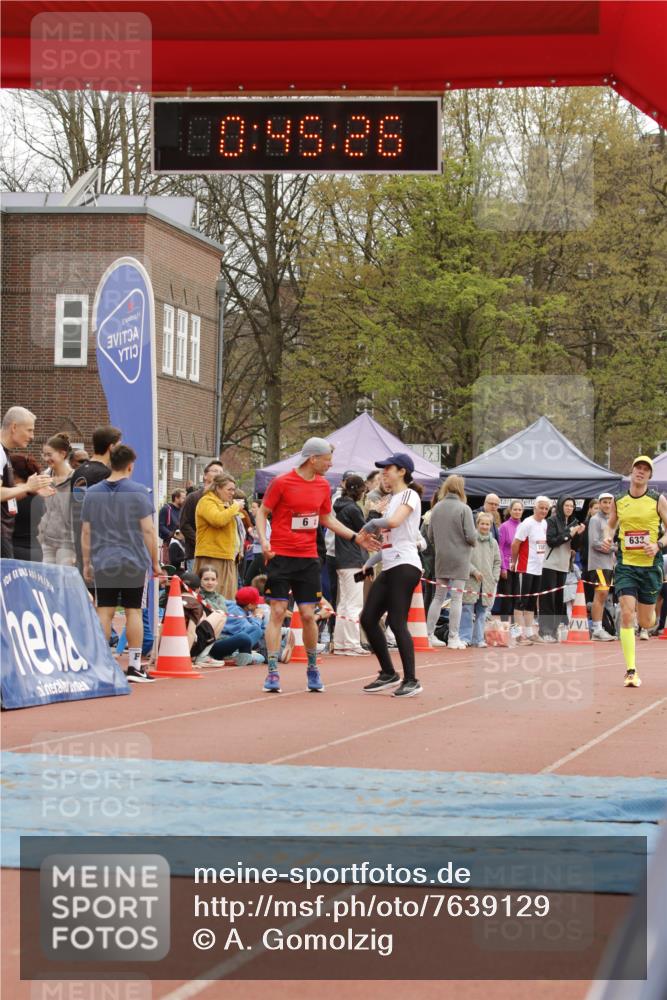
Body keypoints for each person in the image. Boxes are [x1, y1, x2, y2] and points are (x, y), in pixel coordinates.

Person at [254, 437, 378, 694]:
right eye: (327, 460)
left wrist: (356, 537)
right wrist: (264, 540)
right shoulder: (282, 482)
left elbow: (326, 518)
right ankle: (273, 671)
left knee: (309, 615)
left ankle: (312, 667)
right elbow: (263, 511)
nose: (330, 465)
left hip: (308, 558)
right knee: (277, 612)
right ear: (313, 459)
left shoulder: (322, 485)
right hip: (280, 556)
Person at [81, 444, 162, 684]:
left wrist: (86, 562)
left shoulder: (92, 493)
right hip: (133, 559)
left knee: (104, 610)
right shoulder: (138, 492)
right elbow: (148, 530)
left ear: (109, 464)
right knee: (133, 610)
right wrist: (156, 562)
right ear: (130, 466)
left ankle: (101, 664)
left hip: (104, 558)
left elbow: (86, 531)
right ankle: (135, 666)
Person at [359, 453, 424, 697]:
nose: (384, 472)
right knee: (368, 618)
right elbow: (389, 540)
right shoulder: (391, 499)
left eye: (389, 468)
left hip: (405, 565)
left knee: (397, 622)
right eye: (383, 469)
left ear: (402, 471)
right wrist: (370, 562)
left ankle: (412, 680)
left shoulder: (409, 495)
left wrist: (372, 524)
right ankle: (388, 673)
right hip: (390, 564)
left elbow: (395, 523)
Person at [601, 456, 667, 688]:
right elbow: (611, 525)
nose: (640, 471)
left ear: (650, 475)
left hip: (650, 567)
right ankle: (631, 671)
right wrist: (608, 538)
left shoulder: (658, 500)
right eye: (637, 468)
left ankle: (648, 619)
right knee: (627, 614)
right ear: (631, 472)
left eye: (645, 469)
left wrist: (658, 545)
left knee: (647, 622)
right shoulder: (619, 500)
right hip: (626, 565)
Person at [425, 475, 476, 649]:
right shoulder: (464, 508)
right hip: (460, 558)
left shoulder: (437, 508)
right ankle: (454, 637)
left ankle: (429, 634)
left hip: (441, 557)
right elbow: (471, 536)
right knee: (457, 598)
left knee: (438, 596)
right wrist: (471, 543)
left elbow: (430, 535)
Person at [70, 424, 122, 575]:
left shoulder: (78, 471)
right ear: (111, 447)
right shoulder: (105, 474)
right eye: (119, 445)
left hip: (80, 539)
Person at [1, 406, 52, 557]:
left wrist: (30, 489)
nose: (32, 436)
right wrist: (27, 487)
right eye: (29, 430)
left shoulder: (4, 453)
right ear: (14, 427)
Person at [333, 474, 371, 656]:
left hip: (342, 560)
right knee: (354, 603)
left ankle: (341, 642)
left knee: (345, 603)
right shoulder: (353, 509)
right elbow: (366, 531)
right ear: (358, 490)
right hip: (354, 560)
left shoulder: (340, 506)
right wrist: (375, 514)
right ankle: (351, 643)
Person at [539, 496, 586, 641]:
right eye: (567, 505)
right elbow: (551, 541)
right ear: (560, 506)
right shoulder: (551, 521)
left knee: (559, 599)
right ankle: (545, 631)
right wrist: (569, 534)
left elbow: (575, 546)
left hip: (563, 565)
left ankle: (554, 630)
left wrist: (579, 534)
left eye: (572, 506)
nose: (569, 508)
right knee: (548, 599)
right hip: (550, 564)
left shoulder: (573, 522)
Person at [510, 496, 551, 645]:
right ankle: (516, 635)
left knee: (531, 603)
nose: (544, 511)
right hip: (524, 568)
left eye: (546, 508)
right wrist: (514, 561)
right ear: (535, 508)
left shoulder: (544, 523)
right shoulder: (527, 523)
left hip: (537, 569)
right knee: (519, 603)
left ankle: (529, 633)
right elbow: (515, 544)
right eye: (541, 508)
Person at [194, 474, 243, 597]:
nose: (232, 493)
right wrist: (235, 507)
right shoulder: (206, 501)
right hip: (212, 556)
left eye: (234, 490)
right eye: (229, 489)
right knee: (213, 596)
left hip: (227, 555)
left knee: (227, 596)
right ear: (218, 488)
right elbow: (217, 520)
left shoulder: (225, 504)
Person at [459, 512, 501, 647]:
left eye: (487, 524)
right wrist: (474, 571)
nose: (485, 526)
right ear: (477, 524)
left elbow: (497, 562)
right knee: (467, 608)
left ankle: (478, 639)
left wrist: (495, 577)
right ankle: (465, 637)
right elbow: (464, 559)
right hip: (471, 581)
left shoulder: (493, 543)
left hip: (487, 582)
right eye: (482, 523)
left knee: (482, 611)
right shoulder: (471, 540)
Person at [37, 431, 76, 566]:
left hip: (68, 542)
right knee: (45, 577)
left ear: (62, 454)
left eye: (49, 454)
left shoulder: (76, 479)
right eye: (44, 454)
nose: (45, 458)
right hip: (46, 541)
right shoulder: (43, 477)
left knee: (62, 577)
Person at [180, 461, 224, 570]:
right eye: (215, 471)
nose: (218, 474)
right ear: (205, 476)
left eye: (221, 472)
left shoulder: (223, 499)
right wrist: (200, 541)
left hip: (219, 555)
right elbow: (184, 524)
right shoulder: (193, 497)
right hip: (197, 554)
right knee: (198, 581)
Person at [587, 492, 617, 641]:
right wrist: (614, 548)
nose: (607, 505)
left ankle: (599, 628)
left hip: (608, 564)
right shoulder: (595, 520)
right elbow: (594, 543)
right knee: (600, 594)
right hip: (598, 563)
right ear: (599, 503)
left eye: (609, 502)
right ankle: (597, 630)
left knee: (603, 595)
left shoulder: (612, 521)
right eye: (604, 502)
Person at [9, 454, 45, 561]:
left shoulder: (8, 496)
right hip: (35, 551)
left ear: (12, 472)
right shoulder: (39, 496)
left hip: (12, 551)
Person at [497, 500, 524, 622]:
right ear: (510, 510)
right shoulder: (504, 526)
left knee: (517, 599)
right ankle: (504, 625)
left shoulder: (524, 526)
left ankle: (514, 627)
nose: (517, 512)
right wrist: (502, 567)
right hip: (507, 567)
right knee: (507, 598)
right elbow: (500, 548)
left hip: (520, 567)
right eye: (515, 509)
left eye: (519, 510)